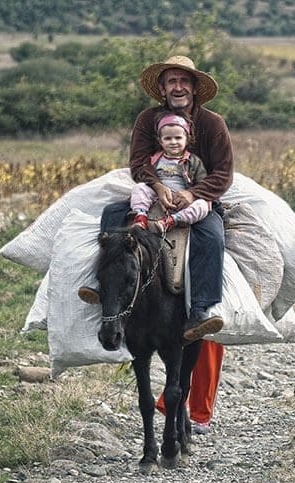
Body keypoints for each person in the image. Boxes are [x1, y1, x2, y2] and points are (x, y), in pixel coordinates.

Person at [81, 55, 233, 343]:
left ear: (194, 88)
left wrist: (192, 193)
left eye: (184, 81)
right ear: (162, 89)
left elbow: (223, 174)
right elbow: (138, 162)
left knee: (212, 236)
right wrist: (156, 185)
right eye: (171, 81)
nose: (178, 87)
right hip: (154, 193)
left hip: (197, 196)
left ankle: (200, 309)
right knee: (112, 218)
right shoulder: (147, 120)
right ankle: (102, 287)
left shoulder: (213, 124)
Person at [129, 112, 210, 234]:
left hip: (182, 199)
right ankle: (141, 217)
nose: (173, 142)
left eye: (178, 138)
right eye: (167, 138)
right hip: (157, 195)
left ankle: (172, 221)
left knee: (203, 206)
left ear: (187, 139)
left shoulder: (193, 161)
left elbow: (202, 182)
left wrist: (192, 194)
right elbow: (144, 173)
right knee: (139, 188)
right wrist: (156, 187)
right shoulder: (154, 160)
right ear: (160, 141)